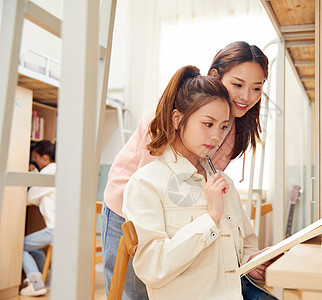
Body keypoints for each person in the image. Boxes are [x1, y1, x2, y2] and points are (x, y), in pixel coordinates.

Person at [102, 41, 269, 299]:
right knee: (135, 292)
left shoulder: (234, 129)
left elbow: (202, 190)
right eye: (237, 85)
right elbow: (159, 186)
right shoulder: (169, 115)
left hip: (184, 219)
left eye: (256, 88)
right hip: (127, 205)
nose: (246, 96)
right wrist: (207, 220)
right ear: (215, 77)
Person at [20, 140, 56, 297]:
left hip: (55, 229)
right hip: (65, 227)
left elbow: (31, 196)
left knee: (20, 246)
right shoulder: (58, 169)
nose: (37, 161)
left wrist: (35, 176)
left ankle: (36, 284)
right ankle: (43, 278)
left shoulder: (49, 171)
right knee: (33, 246)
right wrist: (36, 175)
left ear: (45, 158)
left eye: (37, 157)